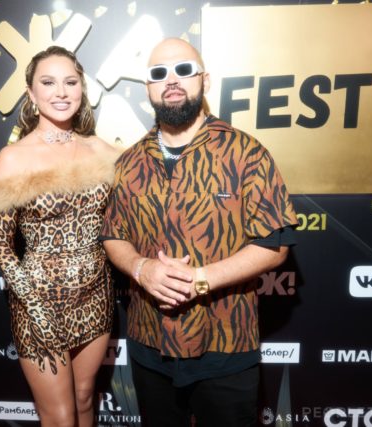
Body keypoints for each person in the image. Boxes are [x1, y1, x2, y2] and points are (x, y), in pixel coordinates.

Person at [100, 38, 298, 427]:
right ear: (148, 89)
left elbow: (273, 245)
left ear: (204, 80)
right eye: (159, 73)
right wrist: (141, 268)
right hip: (149, 346)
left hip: (225, 345)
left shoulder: (246, 153)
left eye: (184, 70)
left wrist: (201, 279)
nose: (171, 80)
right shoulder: (128, 163)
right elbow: (113, 235)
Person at [0, 45, 120, 427]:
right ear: (31, 92)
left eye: (70, 82)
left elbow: (148, 180)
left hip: (96, 295)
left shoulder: (100, 150)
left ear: (82, 88)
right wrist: (35, 308)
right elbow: (2, 247)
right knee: (58, 415)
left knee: (85, 398)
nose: (61, 92)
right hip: (38, 302)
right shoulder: (13, 158)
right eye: (48, 82)